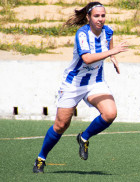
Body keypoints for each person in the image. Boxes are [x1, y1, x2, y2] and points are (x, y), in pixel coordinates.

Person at [33, 1, 128, 173]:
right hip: (73, 84)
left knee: (110, 113)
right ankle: (41, 158)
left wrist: (114, 59)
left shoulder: (108, 31)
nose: (100, 19)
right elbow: (87, 58)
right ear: (88, 18)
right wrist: (112, 53)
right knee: (61, 125)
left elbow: (110, 47)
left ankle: (84, 137)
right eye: (96, 16)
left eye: (103, 15)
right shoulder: (82, 34)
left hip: (96, 82)